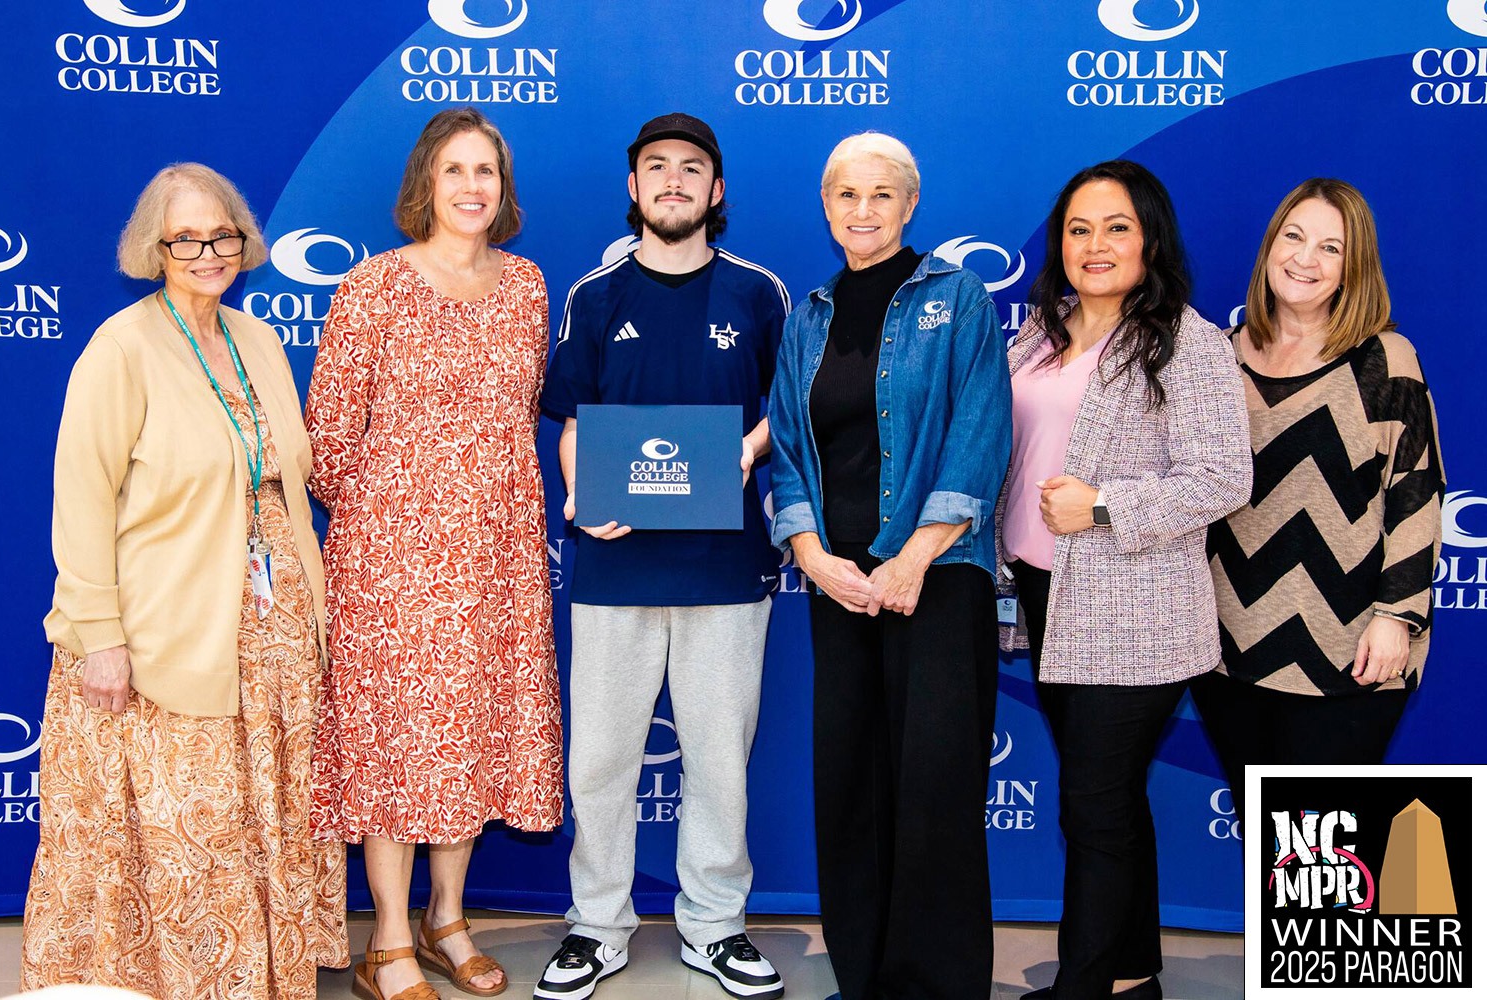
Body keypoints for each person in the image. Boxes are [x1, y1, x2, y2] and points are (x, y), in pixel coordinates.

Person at [24, 163, 347, 999]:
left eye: (224, 235)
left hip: (272, 635)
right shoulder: (121, 347)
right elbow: (83, 500)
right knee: (188, 832)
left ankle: (265, 978)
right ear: (154, 249)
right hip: (168, 635)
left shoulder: (258, 339)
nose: (209, 252)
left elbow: (284, 475)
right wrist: (100, 637)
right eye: (187, 239)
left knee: (260, 818)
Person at [306, 107, 562, 1000]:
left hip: (498, 561)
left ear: (504, 187)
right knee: (396, 746)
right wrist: (401, 519)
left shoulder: (529, 286)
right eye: (454, 170)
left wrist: (475, 516)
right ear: (426, 182)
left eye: (486, 171)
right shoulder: (373, 286)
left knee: (472, 741)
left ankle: (447, 918)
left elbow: (521, 417)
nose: (471, 187)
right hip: (391, 563)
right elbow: (328, 441)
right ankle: (387, 941)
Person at [532, 112, 789, 1000]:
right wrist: (581, 494)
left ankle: (714, 926)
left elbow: (784, 412)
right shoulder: (595, 297)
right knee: (600, 757)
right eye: (655, 168)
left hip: (726, 570)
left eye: (691, 169)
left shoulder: (759, 293)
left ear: (715, 192)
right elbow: (569, 421)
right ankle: (595, 926)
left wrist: (745, 453)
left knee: (721, 756)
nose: (672, 182)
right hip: (613, 568)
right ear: (634, 187)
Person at [998, 160, 1251, 1000]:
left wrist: (1103, 506)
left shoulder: (1186, 340)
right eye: (1078, 228)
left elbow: (1222, 478)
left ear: (1150, 239)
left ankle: (1084, 986)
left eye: (1116, 227)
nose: (1094, 245)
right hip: (1047, 597)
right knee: (1108, 804)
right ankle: (1133, 977)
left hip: (1134, 610)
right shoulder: (1038, 331)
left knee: (1094, 807)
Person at [767, 131, 1011, 1000]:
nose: (862, 210)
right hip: (839, 585)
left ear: (910, 205)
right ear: (826, 207)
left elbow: (980, 434)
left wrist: (913, 558)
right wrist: (810, 554)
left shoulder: (961, 298)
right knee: (852, 786)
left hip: (936, 580)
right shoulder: (809, 314)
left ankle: (935, 987)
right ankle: (864, 977)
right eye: (846, 194)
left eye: (882, 194)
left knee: (935, 789)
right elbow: (789, 449)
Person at [1196, 179, 1444, 811]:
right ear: (1270, 245)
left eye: (1330, 248)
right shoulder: (1220, 358)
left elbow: (1417, 493)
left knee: (1326, 858)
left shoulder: (1385, 360)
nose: (1305, 259)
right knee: (1277, 849)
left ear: (1352, 268)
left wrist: (1397, 618)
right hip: (1228, 649)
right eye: (1294, 237)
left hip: (1350, 648)